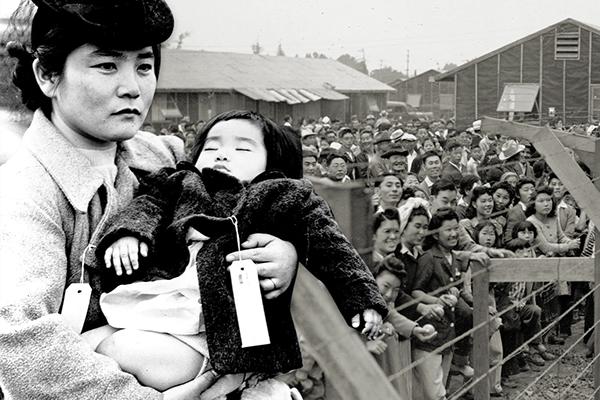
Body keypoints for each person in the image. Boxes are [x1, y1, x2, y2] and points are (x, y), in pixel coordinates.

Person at [0, 2, 300, 398]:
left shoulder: (164, 156)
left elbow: (250, 207)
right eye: (107, 65)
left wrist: (283, 252)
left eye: (143, 66)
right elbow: (15, 337)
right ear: (47, 74)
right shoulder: (23, 192)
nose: (133, 87)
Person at [88, 110, 387, 396]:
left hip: (210, 336)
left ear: (272, 162)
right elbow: (147, 204)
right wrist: (130, 232)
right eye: (211, 146)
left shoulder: (282, 195)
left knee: (120, 350)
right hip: (154, 302)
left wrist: (362, 300)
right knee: (81, 345)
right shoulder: (180, 181)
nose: (221, 154)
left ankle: (235, 379)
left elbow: (331, 247)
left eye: (242, 150)